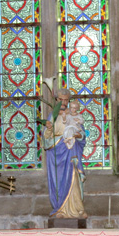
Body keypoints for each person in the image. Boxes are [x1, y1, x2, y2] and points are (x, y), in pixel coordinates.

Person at [43, 88, 88, 219]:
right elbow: (46, 137)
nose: (63, 102)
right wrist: (49, 129)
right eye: (61, 99)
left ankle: (77, 209)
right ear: (57, 100)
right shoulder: (53, 115)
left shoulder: (73, 115)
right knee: (59, 181)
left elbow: (82, 135)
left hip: (71, 151)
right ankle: (60, 210)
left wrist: (77, 135)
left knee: (73, 178)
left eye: (66, 100)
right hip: (57, 152)